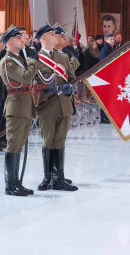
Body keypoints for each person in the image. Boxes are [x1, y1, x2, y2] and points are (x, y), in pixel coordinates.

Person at [34, 23, 79, 192]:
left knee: (60, 140)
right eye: (52, 34)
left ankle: (58, 177)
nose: (57, 37)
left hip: (64, 105)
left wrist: (69, 86)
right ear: (43, 38)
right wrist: (53, 89)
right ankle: (47, 177)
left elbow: (71, 77)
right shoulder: (35, 59)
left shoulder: (63, 58)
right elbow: (33, 84)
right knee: (48, 141)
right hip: (47, 105)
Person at [0, 25, 39, 196]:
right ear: (9, 42)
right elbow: (25, 77)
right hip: (16, 107)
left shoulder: (19, 59)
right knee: (13, 146)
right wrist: (32, 62)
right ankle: (10, 184)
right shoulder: (8, 61)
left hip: (25, 106)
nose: (22, 40)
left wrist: (30, 63)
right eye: (18, 38)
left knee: (19, 146)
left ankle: (17, 182)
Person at [98, 33, 115, 123]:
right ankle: (104, 117)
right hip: (106, 76)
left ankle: (108, 116)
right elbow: (104, 64)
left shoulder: (111, 49)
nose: (113, 40)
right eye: (111, 39)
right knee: (106, 98)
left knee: (110, 98)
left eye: (113, 39)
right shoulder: (105, 50)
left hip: (111, 76)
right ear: (106, 40)